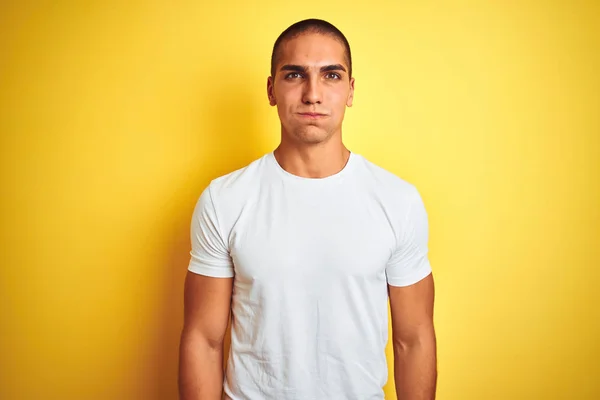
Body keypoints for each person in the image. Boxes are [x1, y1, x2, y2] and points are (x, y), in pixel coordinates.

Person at [178, 18, 437, 400]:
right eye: (295, 75)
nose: (312, 94)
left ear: (350, 90)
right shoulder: (225, 199)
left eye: (331, 76)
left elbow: (413, 340)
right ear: (271, 89)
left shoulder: (397, 200)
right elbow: (203, 340)